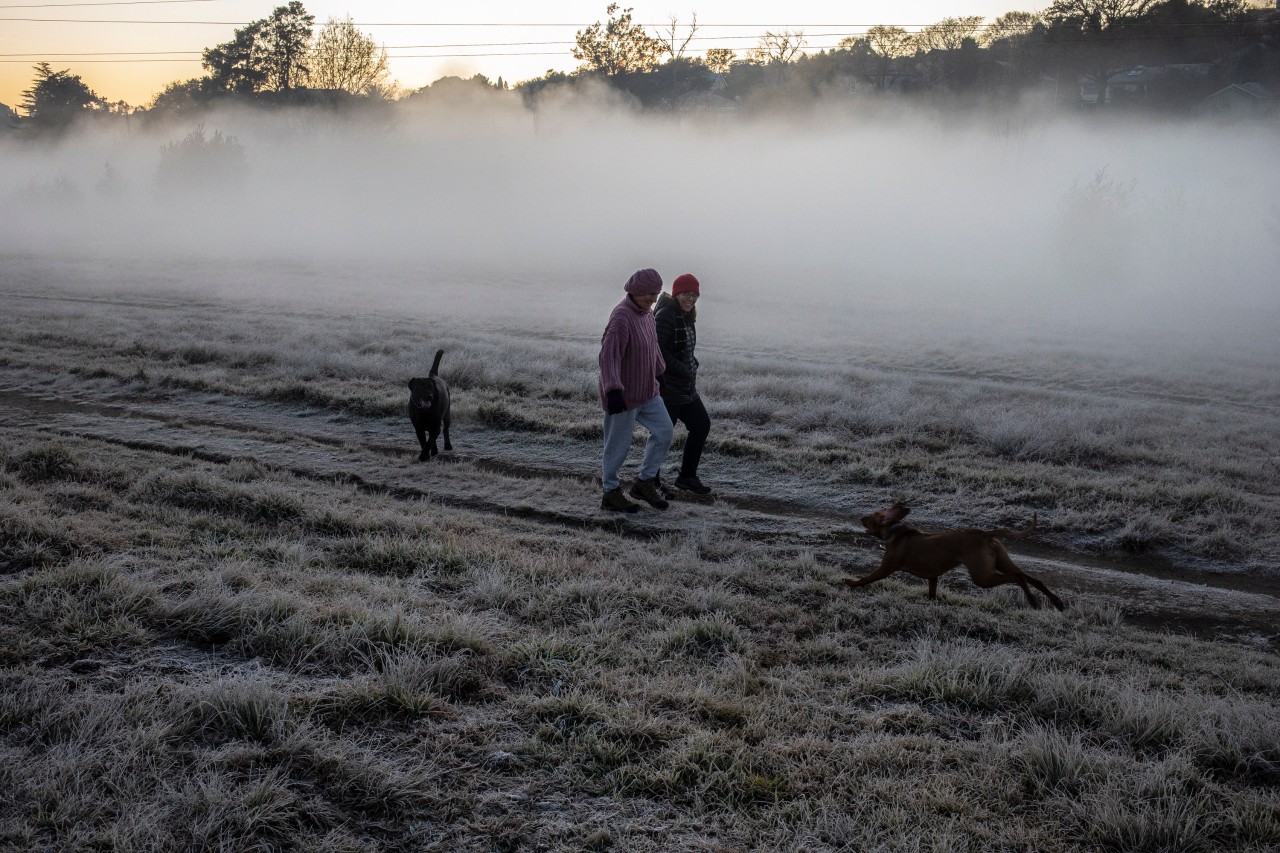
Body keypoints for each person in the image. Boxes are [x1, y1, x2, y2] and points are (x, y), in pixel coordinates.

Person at [598, 268, 675, 513]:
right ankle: (610, 492)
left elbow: (653, 347)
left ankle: (644, 482)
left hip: (647, 391)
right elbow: (609, 356)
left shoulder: (647, 314)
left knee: (664, 431)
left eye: (656, 294)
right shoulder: (621, 317)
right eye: (649, 295)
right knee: (618, 446)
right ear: (636, 291)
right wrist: (613, 389)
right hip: (623, 395)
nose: (653, 299)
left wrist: (660, 372)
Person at [653, 273, 713, 495]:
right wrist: (683, 368)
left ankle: (687, 477)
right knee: (662, 435)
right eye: (687, 294)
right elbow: (658, 351)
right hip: (668, 388)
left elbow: (683, 347)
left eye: (695, 295)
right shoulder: (667, 314)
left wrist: (692, 362)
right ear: (677, 293)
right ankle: (650, 481)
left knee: (701, 425)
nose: (691, 299)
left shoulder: (687, 315)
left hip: (686, 388)